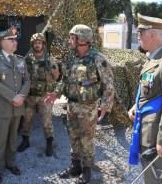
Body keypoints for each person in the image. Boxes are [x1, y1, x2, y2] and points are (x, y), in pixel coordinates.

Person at [45, 24, 115, 184]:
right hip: (71, 106)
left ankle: (87, 170)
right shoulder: (71, 57)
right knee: (73, 138)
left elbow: (108, 84)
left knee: (86, 140)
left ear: (82, 40)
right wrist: (55, 93)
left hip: (88, 108)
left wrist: (105, 106)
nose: (70, 40)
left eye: (72, 37)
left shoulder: (98, 58)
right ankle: (75, 167)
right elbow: (64, 81)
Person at [128, 14, 162, 184]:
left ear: (152, 35)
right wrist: (135, 106)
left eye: (141, 32)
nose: (138, 35)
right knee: (149, 175)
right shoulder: (152, 60)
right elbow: (147, 91)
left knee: (155, 177)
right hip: (145, 128)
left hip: (155, 133)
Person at [0, 26, 30, 183]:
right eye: (11, 39)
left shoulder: (20, 60)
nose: (15, 42)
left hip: (17, 108)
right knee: (0, 140)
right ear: (2, 42)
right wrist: (14, 97)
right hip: (3, 107)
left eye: (15, 39)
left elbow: (27, 81)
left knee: (12, 138)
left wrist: (22, 96)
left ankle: (11, 163)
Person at [17, 33, 60, 156]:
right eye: (35, 43)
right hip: (29, 96)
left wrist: (52, 90)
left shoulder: (49, 60)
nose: (37, 45)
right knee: (26, 119)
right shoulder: (27, 59)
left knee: (47, 121)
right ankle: (25, 141)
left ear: (43, 45)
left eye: (39, 43)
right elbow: (21, 75)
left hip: (44, 97)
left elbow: (57, 76)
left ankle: (49, 143)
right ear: (32, 45)